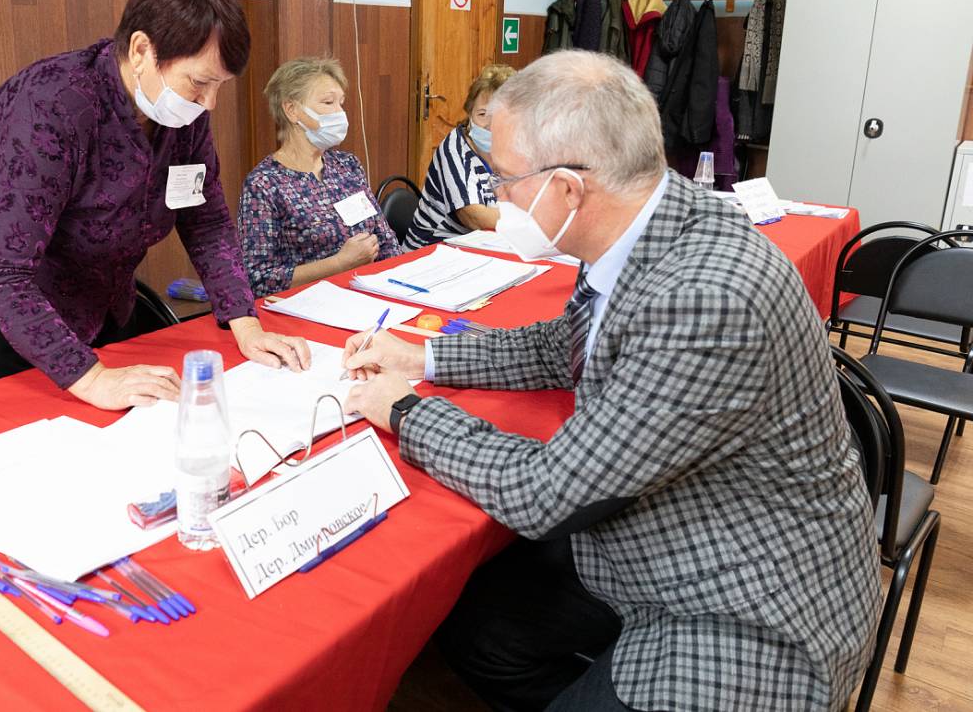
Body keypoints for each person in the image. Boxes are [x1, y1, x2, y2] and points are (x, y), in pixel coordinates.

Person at [342, 51, 879, 710]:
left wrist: (405, 411)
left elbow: (546, 493)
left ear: (567, 188)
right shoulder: (651, 219)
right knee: (478, 631)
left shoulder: (705, 297)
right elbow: (559, 345)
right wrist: (423, 360)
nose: (495, 198)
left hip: (752, 611)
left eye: (504, 179)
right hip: (672, 534)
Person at [0, 0, 311, 411]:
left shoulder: (184, 117)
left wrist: (244, 322)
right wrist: (92, 378)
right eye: (199, 83)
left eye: (219, 87)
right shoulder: (52, 107)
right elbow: (0, 269)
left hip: (102, 296)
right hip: (10, 304)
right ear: (141, 50)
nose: (209, 104)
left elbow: (206, 222)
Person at [238, 57, 400, 298]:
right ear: (292, 110)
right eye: (328, 102)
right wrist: (338, 264)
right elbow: (258, 279)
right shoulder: (265, 184)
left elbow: (387, 242)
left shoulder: (347, 166)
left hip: (370, 294)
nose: (340, 113)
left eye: (341, 103)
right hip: (306, 307)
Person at [404, 63, 514, 249]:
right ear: (469, 113)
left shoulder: (513, 147)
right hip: (431, 251)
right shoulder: (455, 149)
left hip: (486, 245)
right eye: (482, 114)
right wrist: (528, 219)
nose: (489, 124)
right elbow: (474, 217)